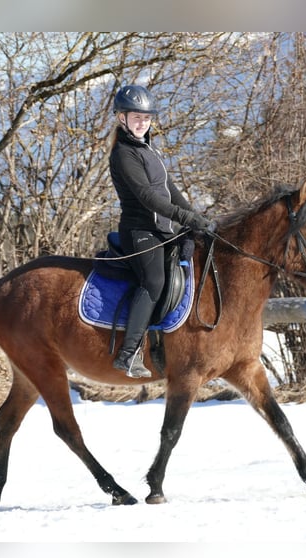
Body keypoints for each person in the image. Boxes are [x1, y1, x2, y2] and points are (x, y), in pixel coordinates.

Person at [109, 84, 213, 378]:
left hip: (163, 230)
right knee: (153, 281)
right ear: (122, 118)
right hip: (139, 231)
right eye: (136, 117)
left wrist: (195, 217)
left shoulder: (148, 149)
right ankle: (128, 353)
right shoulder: (124, 154)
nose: (142, 123)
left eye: (146, 117)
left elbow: (169, 190)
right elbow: (148, 197)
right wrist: (184, 217)